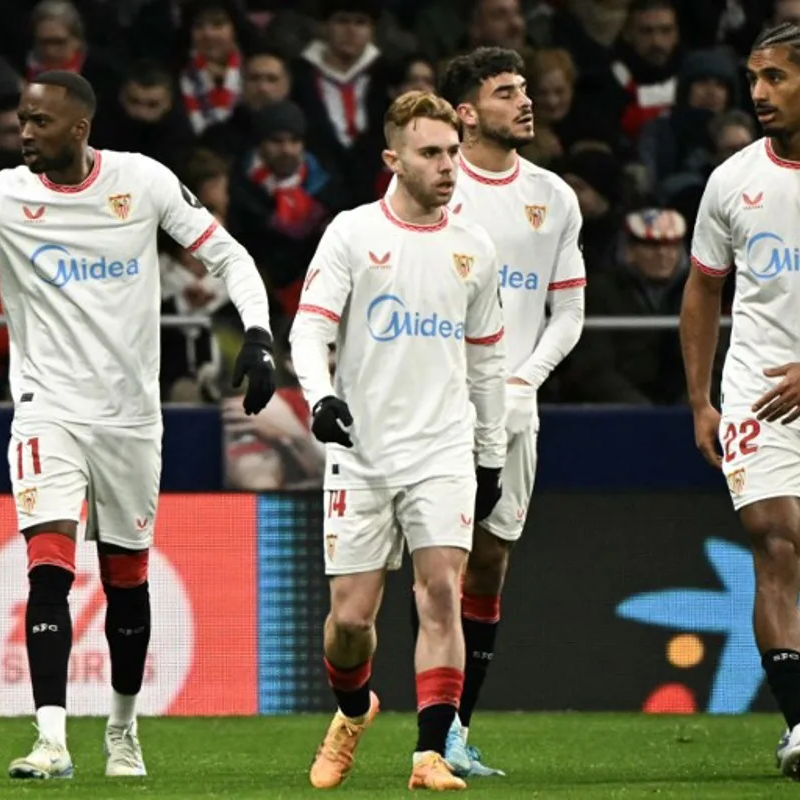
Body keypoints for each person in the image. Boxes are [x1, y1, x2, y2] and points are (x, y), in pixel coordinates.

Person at [0, 70, 276, 780]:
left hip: (131, 416)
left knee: (127, 578)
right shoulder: (6, 194)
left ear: (79, 129)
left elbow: (228, 254)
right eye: (21, 119)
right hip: (48, 409)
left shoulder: (143, 182)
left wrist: (257, 333)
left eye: (38, 122)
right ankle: (51, 740)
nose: (24, 132)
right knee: (48, 570)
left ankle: (123, 733)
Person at [290, 89, 507, 792]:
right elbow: (309, 328)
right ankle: (355, 710)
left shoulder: (475, 248)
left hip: (443, 448)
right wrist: (320, 397)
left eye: (453, 152)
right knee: (350, 622)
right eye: (432, 153)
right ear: (393, 158)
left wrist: (492, 452)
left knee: (440, 590)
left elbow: (487, 361)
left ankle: (429, 755)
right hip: (363, 451)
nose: (449, 166)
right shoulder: (353, 234)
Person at [387, 46, 586, 778]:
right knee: (440, 566)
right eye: (507, 92)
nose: (525, 101)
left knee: (489, 566)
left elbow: (568, 311)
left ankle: (456, 731)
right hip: (433, 408)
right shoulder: (434, 183)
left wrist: (523, 380)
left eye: (526, 88)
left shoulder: (553, 196)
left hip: (514, 409)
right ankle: (429, 731)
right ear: (467, 112)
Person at [680, 22, 800, 782]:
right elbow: (704, 290)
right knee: (777, 543)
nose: (757, 92)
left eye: (775, 77)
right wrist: (701, 401)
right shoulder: (732, 179)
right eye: (753, 77)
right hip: (758, 396)